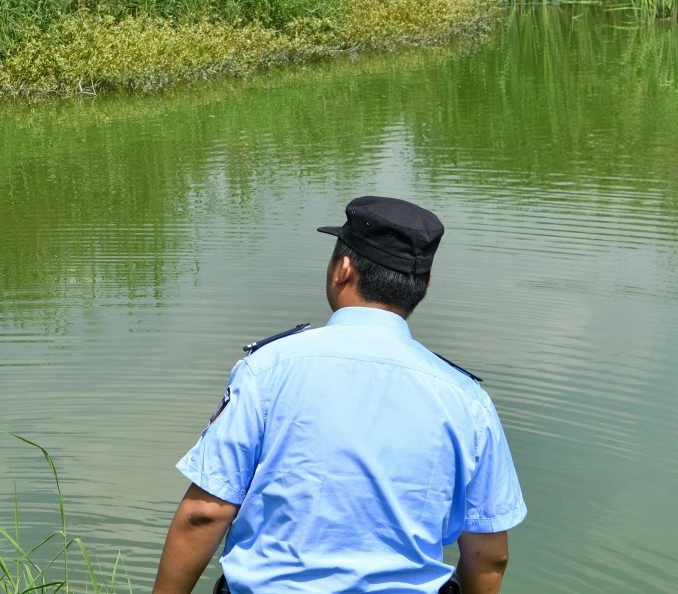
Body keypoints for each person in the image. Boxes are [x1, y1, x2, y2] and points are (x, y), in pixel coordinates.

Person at [152, 196, 526, 594]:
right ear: (424, 285)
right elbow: (489, 553)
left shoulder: (268, 369)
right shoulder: (467, 399)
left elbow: (205, 515)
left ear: (343, 269)